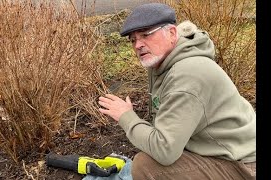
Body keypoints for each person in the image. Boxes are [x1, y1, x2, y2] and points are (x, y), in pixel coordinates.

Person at [98, 3, 256, 180]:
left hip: (242, 164)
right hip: (219, 148)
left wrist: (126, 116)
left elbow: (165, 150)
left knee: (146, 166)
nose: (138, 45)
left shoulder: (188, 76)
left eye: (145, 35)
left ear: (172, 33)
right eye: (133, 39)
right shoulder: (164, 62)